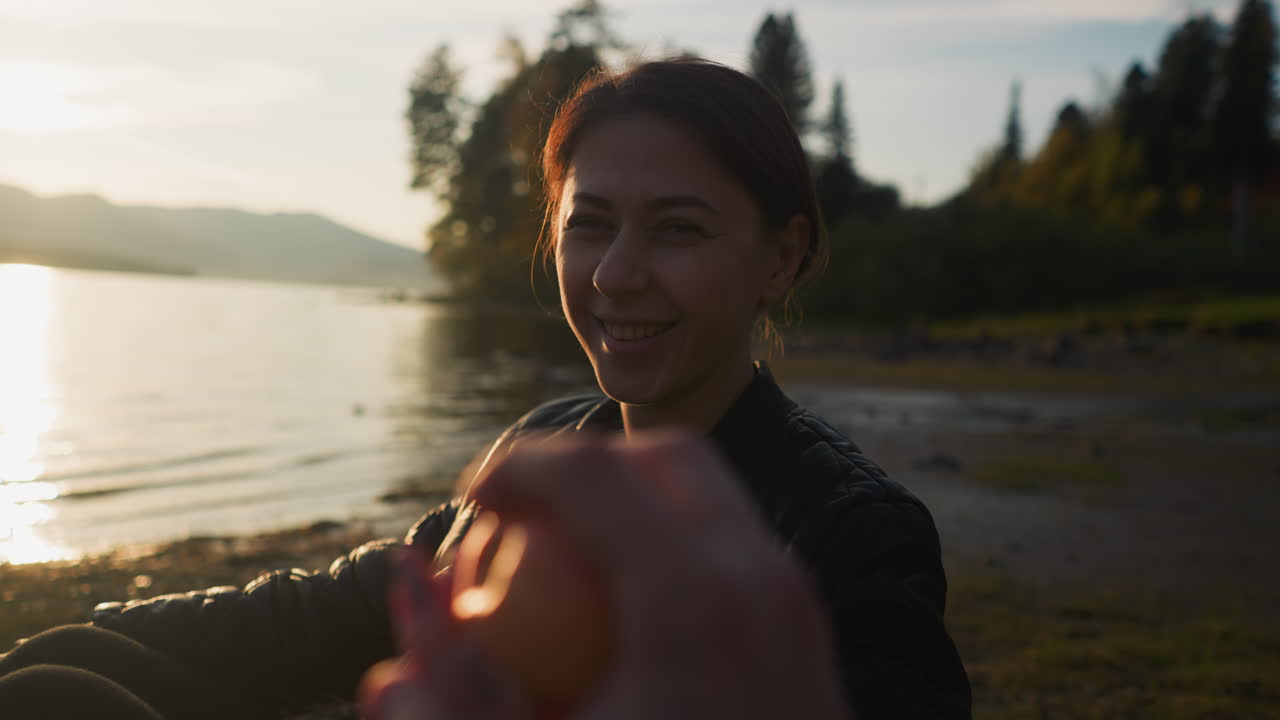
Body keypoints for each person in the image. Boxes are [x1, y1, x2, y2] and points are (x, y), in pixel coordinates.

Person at [0, 58, 971, 719]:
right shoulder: (548, 449)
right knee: (53, 686)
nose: (615, 274)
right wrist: (85, 630)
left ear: (779, 257)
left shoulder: (851, 533)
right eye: (590, 224)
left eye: (676, 230)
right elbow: (341, 609)